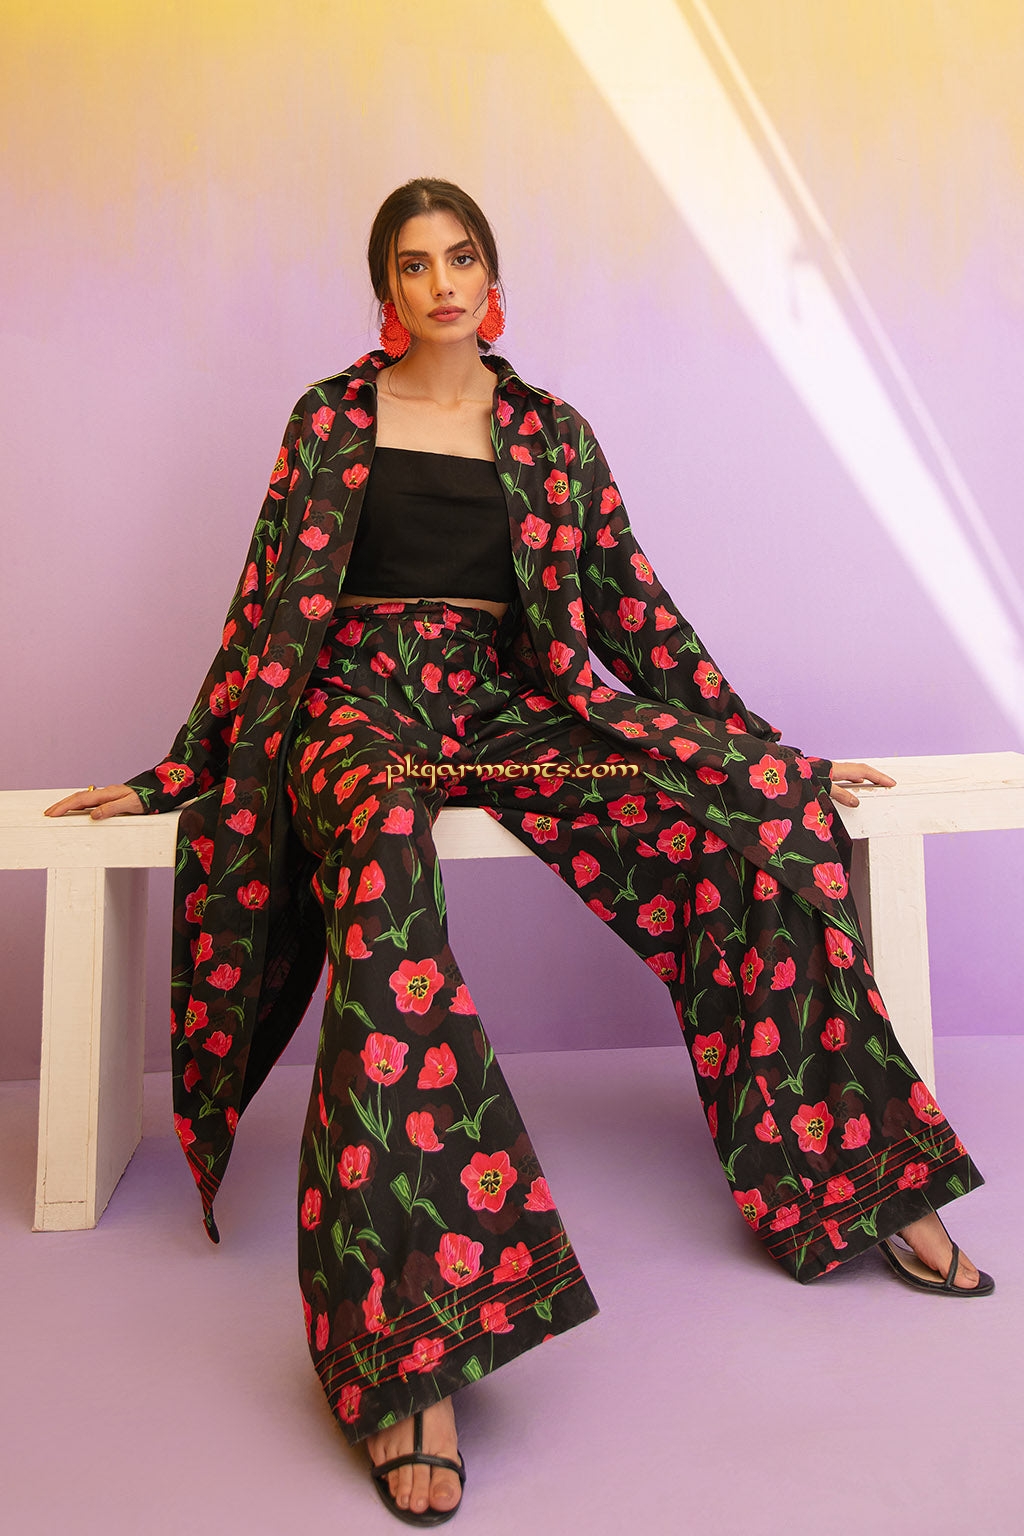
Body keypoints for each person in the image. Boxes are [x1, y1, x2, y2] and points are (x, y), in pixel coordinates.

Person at [46, 178, 993, 1526]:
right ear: (386, 287)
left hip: (503, 702)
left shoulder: (552, 435)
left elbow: (635, 614)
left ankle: (860, 1176)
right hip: (354, 703)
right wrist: (180, 767)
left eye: (462, 257)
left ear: (492, 276)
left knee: (753, 821)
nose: (441, 282)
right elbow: (261, 608)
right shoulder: (330, 420)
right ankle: (411, 1350)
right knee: (384, 865)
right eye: (414, 262)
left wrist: (756, 749)